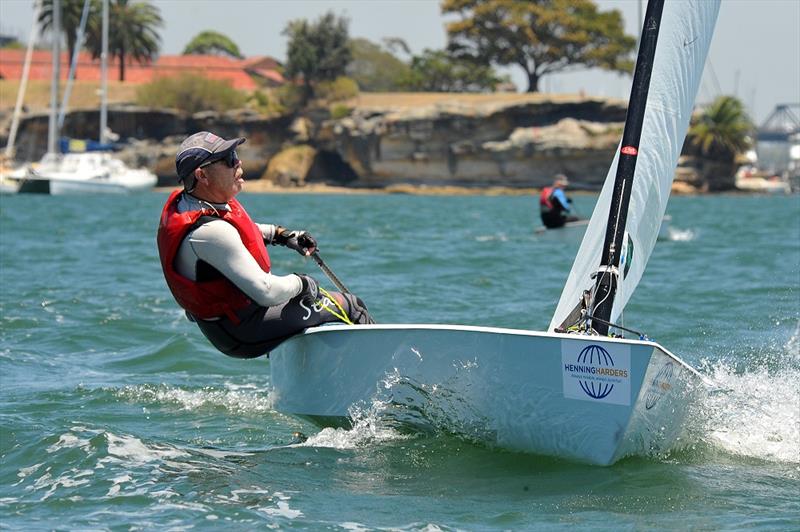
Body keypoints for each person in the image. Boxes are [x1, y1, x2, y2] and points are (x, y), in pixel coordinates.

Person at [157, 131, 373, 359]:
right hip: (244, 331)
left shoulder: (194, 205)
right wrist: (302, 283)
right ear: (202, 175)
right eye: (229, 159)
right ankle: (384, 373)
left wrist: (283, 235)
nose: (238, 162)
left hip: (235, 322)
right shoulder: (208, 233)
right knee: (351, 305)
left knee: (304, 306)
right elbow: (266, 291)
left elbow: (241, 231)